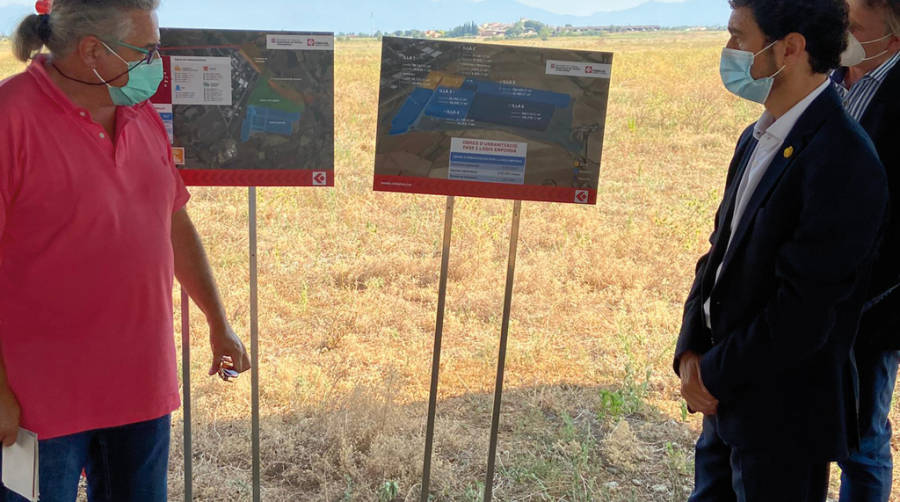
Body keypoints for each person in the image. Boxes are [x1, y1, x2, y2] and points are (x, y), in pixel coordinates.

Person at [0, 1, 251, 501]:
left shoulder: (140, 115)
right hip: (37, 405)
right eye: (146, 51)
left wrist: (217, 321)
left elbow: (173, 221)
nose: (155, 64)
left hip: (141, 392)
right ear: (92, 51)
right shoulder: (11, 118)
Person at [673, 0, 889, 500]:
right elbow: (718, 255)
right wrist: (689, 349)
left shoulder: (845, 159)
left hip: (781, 416)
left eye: (738, 37)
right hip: (724, 399)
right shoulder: (756, 137)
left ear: (789, 49)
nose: (728, 52)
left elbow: (804, 311)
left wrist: (713, 373)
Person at [831, 1, 900, 501]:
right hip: (816, 288)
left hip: (875, 300)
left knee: (862, 438)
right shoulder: (829, 75)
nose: (844, 34)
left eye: (855, 28)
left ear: (893, 38)